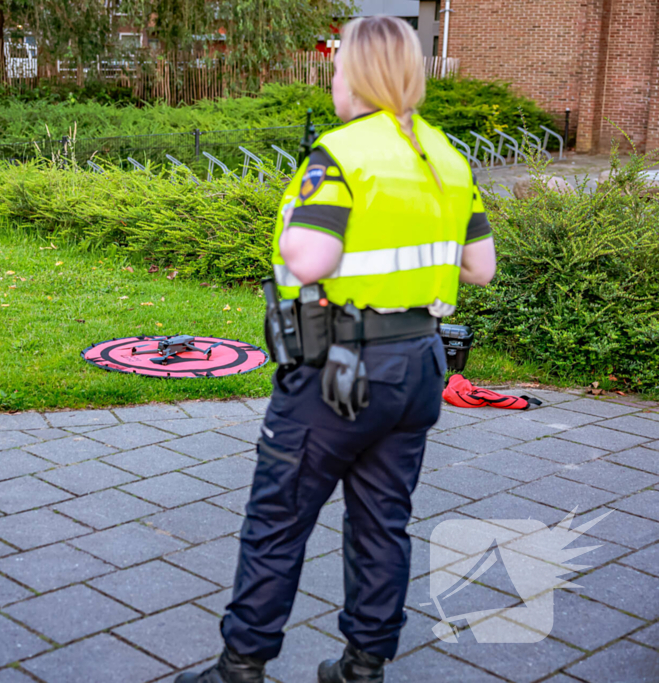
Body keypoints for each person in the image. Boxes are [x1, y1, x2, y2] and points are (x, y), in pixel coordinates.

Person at [178, 16, 496, 683]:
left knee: (278, 518)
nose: (331, 77)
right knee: (383, 522)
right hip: (418, 364)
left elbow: (312, 255)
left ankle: (240, 667)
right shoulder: (444, 155)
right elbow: (480, 266)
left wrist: (294, 226)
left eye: (337, 65)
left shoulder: (342, 154)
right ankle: (362, 667)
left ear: (359, 74)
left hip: (339, 370)